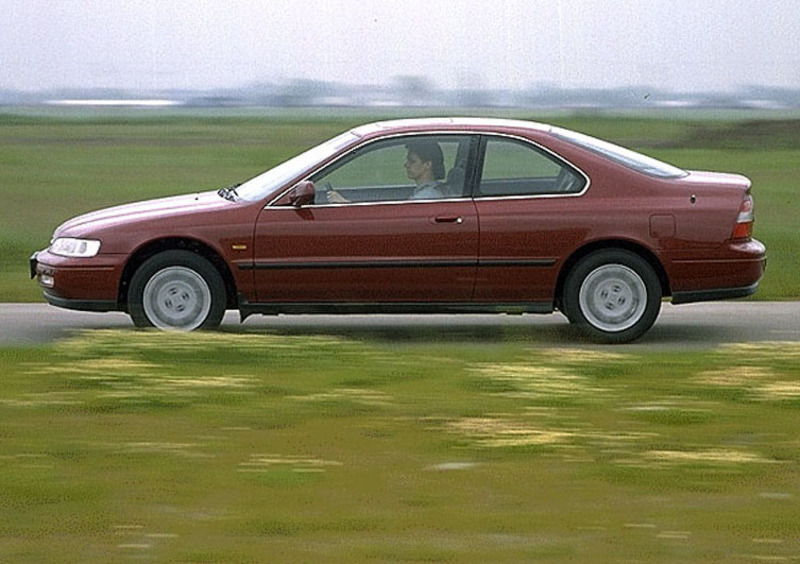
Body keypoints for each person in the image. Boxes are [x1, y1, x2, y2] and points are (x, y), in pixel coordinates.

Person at [326, 140, 446, 203]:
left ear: (427, 165)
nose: (406, 165)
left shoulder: (425, 198)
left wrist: (345, 204)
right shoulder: (429, 193)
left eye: (412, 161)